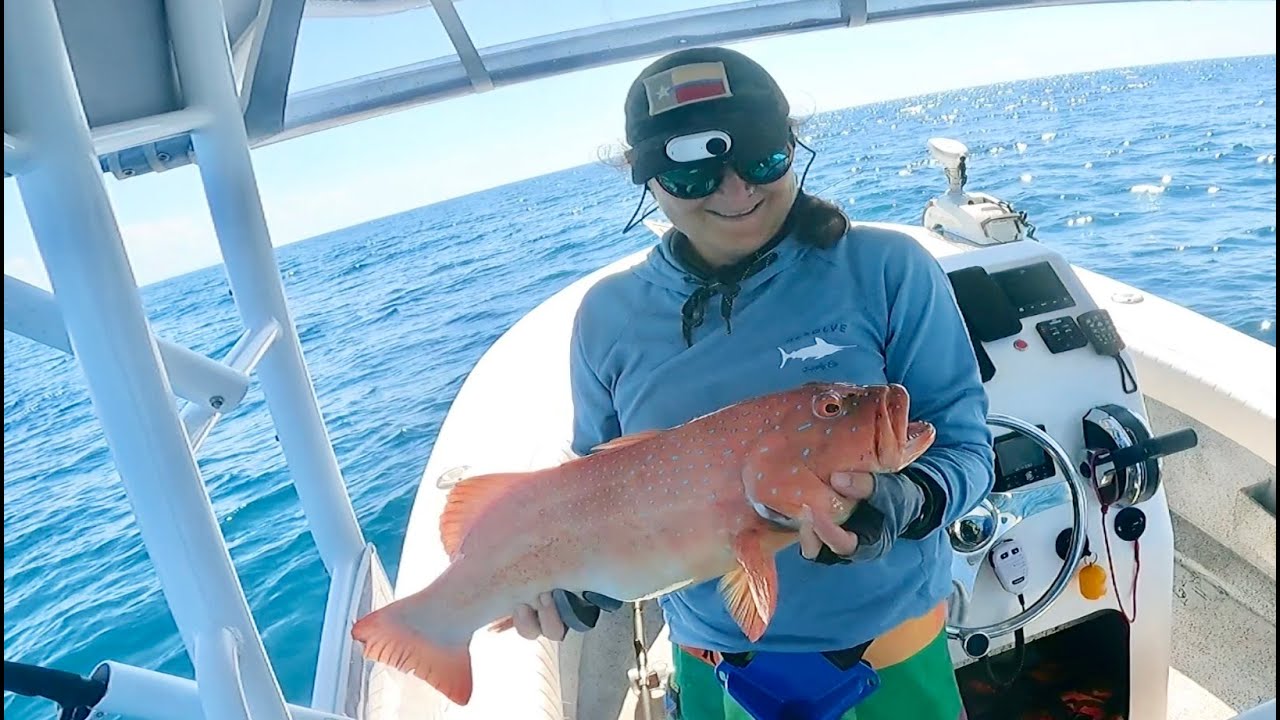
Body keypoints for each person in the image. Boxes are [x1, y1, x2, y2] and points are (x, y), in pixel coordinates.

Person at [510, 46, 994, 719]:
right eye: (696, 175)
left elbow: (968, 448)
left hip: (892, 662)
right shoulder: (606, 322)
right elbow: (603, 496)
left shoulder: (889, 270)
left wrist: (906, 501)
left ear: (793, 147)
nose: (737, 192)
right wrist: (572, 586)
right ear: (647, 178)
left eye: (764, 161)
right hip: (713, 671)